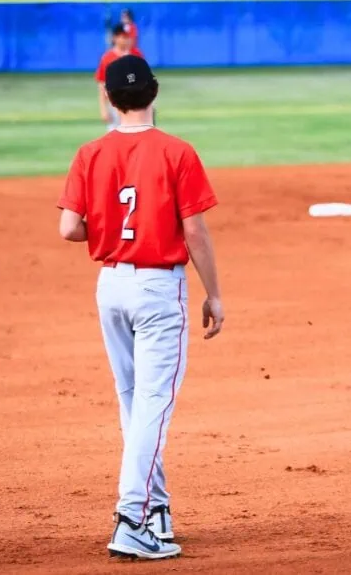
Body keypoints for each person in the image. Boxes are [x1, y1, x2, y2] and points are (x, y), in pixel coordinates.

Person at [57, 54, 225, 559]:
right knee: (154, 402)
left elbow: (69, 228)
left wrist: (107, 230)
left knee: (134, 401)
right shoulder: (177, 152)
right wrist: (214, 293)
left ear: (109, 98)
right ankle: (131, 518)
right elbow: (194, 229)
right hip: (158, 290)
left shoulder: (90, 152)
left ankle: (156, 509)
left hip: (110, 286)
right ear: (155, 93)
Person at [95, 25, 139, 132]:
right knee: (115, 136)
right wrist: (103, 109)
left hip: (135, 103)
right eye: (123, 37)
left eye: (128, 37)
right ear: (115, 38)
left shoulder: (137, 55)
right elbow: (102, 84)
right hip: (115, 104)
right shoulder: (107, 58)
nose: (127, 40)